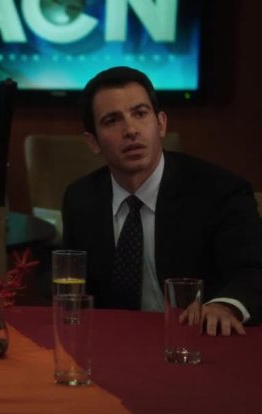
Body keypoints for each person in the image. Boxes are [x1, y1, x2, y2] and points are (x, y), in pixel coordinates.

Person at [62, 66, 262, 336]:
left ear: (161, 123)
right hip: (111, 342)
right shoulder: (80, 199)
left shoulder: (219, 191)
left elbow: (253, 270)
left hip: (194, 340)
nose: (130, 130)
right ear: (93, 142)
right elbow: (74, 291)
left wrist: (225, 306)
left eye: (140, 114)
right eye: (112, 120)